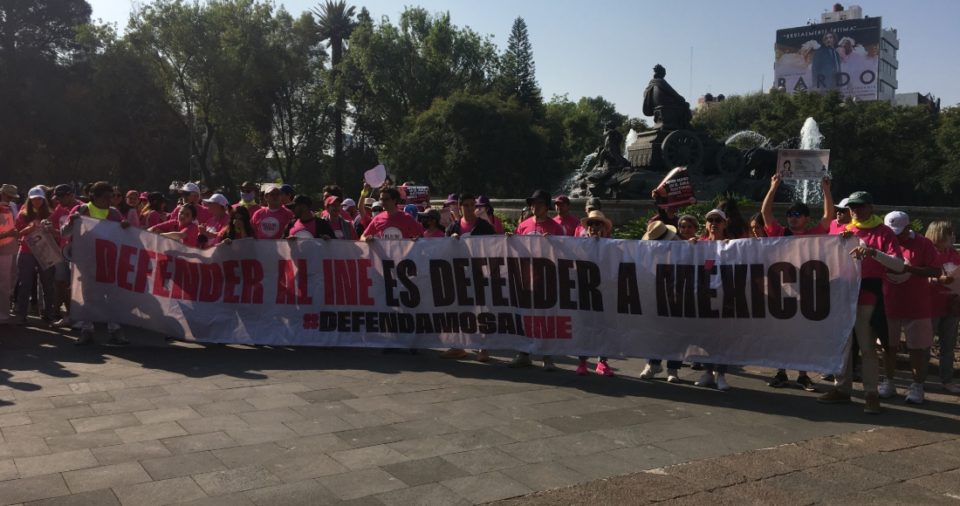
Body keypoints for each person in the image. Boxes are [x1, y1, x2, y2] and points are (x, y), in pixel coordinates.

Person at [818, 191, 903, 414]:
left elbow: (898, 265)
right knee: (843, 345)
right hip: (845, 294)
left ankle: (871, 393)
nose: (855, 210)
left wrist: (873, 252)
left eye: (860, 206)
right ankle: (842, 389)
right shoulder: (847, 231)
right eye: (852, 207)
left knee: (866, 345)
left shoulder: (883, 232)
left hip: (868, 294)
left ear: (870, 207)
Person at [761, 175, 834, 390]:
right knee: (782, 335)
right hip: (781, 291)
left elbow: (828, 217)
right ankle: (781, 372)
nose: (793, 218)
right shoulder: (779, 233)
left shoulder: (814, 235)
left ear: (806, 218)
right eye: (790, 214)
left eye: (798, 215)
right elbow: (766, 213)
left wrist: (826, 189)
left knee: (803, 335)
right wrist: (773, 187)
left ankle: (803, 374)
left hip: (806, 291)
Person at [879, 211, 941, 404]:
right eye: (892, 232)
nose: (896, 236)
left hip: (917, 304)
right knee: (888, 347)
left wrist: (908, 269)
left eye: (899, 232)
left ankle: (917, 385)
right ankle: (888, 381)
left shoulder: (923, 243)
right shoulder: (883, 241)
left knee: (918, 348)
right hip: (889, 302)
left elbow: (935, 270)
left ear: (908, 227)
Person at [63, 181, 129, 345]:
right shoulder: (82, 210)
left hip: (107, 262)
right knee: (88, 297)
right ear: (95, 197)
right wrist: (72, 222)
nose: (111, 200)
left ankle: (115, 330)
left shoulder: (114, 213)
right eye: (107, 197)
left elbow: (126, 235)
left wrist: (126, 227)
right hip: (87, 261)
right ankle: (87, 330)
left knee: (112, 296)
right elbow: (65, 233)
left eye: (112, 196)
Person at [509, 190, 565, 370]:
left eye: (539, 203)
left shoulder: (555, 227)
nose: (535, 207)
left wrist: (554, 242)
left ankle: (548, 357)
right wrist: (510, 240)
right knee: (526, 316)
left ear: (547, 207)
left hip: (547, 279)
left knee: (546, 318)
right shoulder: (524, 225)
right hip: (526, 278)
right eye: (533, 203)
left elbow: (565, 251)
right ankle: (524, 353)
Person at [440, 193, 496, 361]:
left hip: (480, 274)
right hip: (458, 275)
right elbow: (443, 250)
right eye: (467, 205)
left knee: (482, 311)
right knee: (459, 310)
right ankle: (458, 347)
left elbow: (495, 247)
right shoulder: (452, 228)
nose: (470, 208)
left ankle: (483, 348)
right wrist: (450, 240)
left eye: (473, 205)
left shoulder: (484, 226)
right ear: (460, 206)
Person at [690, 209, 733, 391]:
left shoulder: (732, 245)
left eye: (718, 220)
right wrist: (690, 245)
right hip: (705, 297)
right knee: (706, 337)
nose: (714, 223)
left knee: (723, 337)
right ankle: (708, 372)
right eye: (710, 220)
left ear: (725, 223)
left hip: (725, 297)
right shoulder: (699, 244)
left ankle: (721, 374)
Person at [639, 219, 683, 382]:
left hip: (676, 292)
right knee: (654, 330)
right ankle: (652, 363)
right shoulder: (648, 251)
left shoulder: (680, 247)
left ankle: (673, 369)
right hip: (655, 293)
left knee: (676, 331)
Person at [577, 210, 616, 376]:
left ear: (604, 227)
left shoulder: (612, 244)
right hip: (584, 290)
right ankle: (582, 362)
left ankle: (602, 361)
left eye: (597, 224)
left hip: (605, 292)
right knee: (584, 326)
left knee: (604, 327)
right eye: (591, 224)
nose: (593, 227)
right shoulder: (578, 243)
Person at [13, 187, 57, 325]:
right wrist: (29, 229)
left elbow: (58, 234)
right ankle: (22, 314)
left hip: (45, 252)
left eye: (39, 199)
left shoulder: (51, 213)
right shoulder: (23, 213)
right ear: (29, 199)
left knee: (47, 284)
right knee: (24, 284)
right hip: (27, 251)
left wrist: (50, 229)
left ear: (43, 199)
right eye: (33, 199)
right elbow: (17, 233)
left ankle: (48, 314)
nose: (37, 201)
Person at [926, 220, 960, 394]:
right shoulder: (927, 254)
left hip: (951, 306)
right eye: (949, 234)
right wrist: (935, 279)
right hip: (931, 305)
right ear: (938, 235)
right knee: (924, 343)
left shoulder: (955, 254)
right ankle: (919, 380)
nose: (952, 237)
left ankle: (947, 380)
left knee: (948, 345)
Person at [0, 196, 15, 325]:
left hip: (5, 251)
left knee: (4, 284)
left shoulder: (6, 211)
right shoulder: (8, 210)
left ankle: (4, 314)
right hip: (6, 250)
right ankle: (4, 314)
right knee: (4, 284)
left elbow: (11, 231)